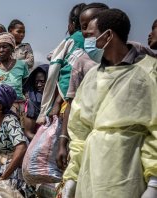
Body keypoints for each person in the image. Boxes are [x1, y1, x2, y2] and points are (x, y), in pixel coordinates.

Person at [62, 9, 157, 198]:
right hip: (90, 172)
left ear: (108, 35)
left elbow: (154, 129)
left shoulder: (148, 72)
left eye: (92, 36)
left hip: (127, 170)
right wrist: (72, 176)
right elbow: (79, 130)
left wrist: (154, 181)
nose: (88, 43)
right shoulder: (91, 77)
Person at [56, 2, 108, 171]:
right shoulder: (81, 61)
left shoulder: (135, 54)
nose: (84, 33)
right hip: (85, 134)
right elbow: (71, 103)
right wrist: (63, 142)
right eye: (81, 26)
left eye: (87, 27)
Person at [37, 3, 86, 126]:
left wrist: (55, 103)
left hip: (65, 96)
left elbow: (52, 57)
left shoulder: (73, 39)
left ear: (72, 24)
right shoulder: (96, 40)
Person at [0, 32, 29, 127]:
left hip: (18, 106)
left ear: (12, 48)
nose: (1, 50)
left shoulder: (22, 65)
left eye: (4, 47)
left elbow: (26, 85)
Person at [22, 64, 49, 141]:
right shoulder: (32, 103)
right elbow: (28, 133)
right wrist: (45, 141)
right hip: (37, 142)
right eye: (36, 82)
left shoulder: (57, 99)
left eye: (42, 81)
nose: (39, 85)